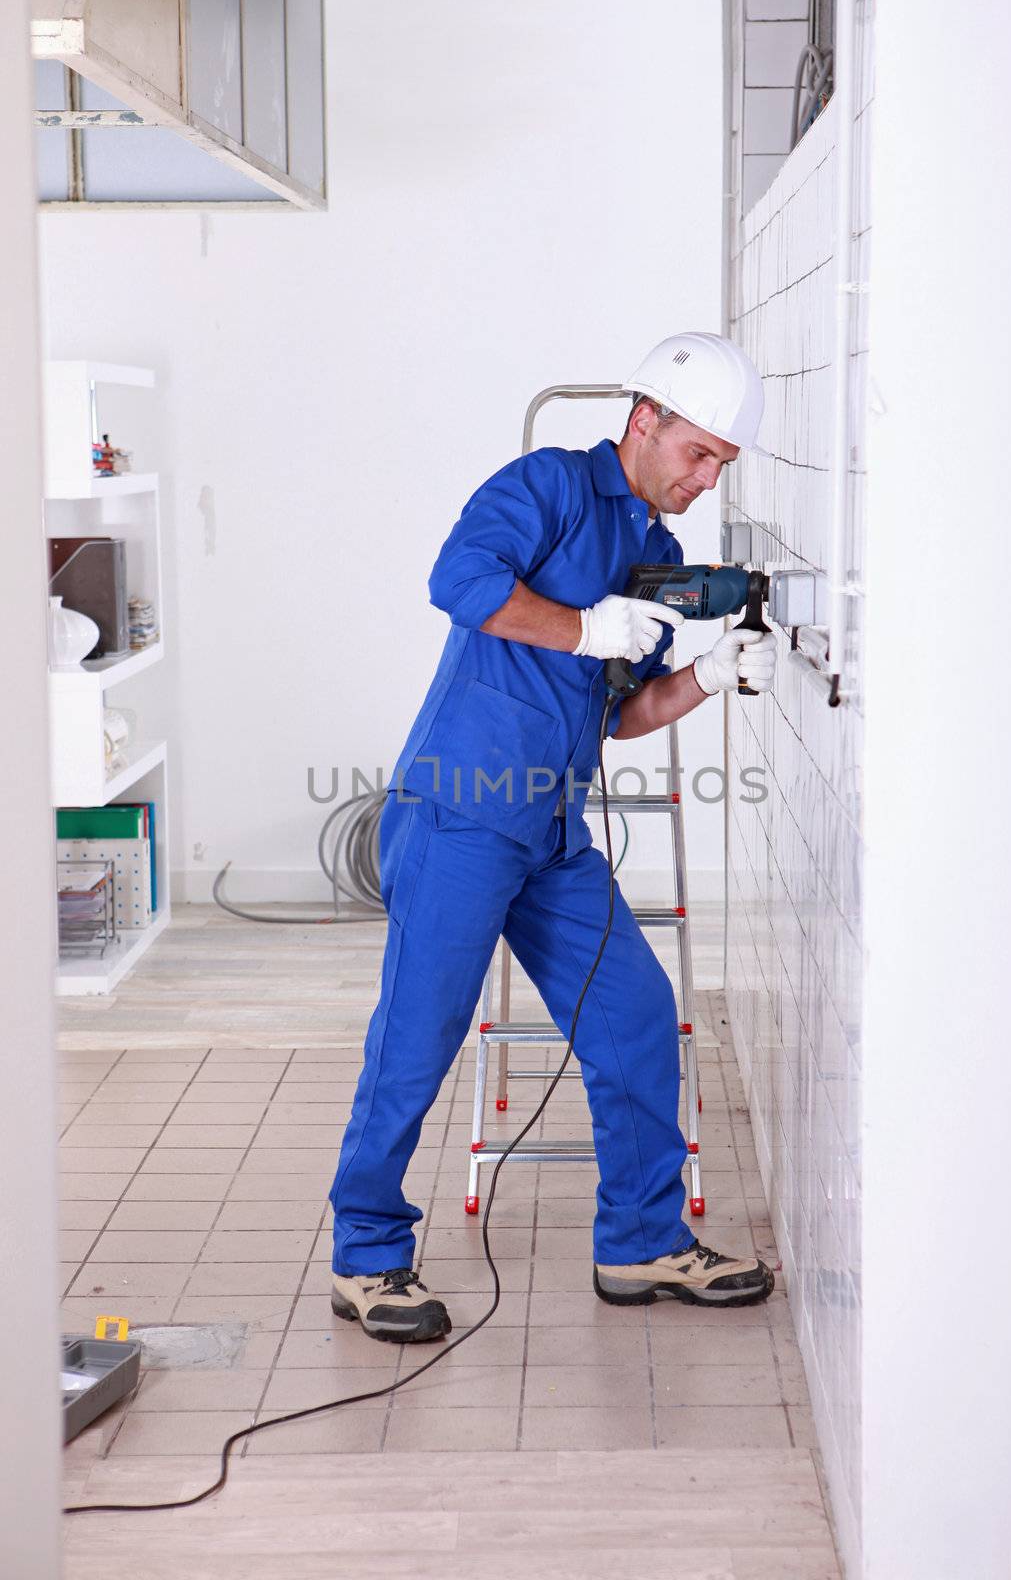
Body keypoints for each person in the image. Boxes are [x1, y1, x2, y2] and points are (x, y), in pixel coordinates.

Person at [329, 332, 779, 1342]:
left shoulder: (655, 558)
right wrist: (582, 627)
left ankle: (639, 1241)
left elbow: (619, 712)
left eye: (721, 465)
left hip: (550, 831)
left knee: (633, 1011)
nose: (705, 481)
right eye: (698, 454)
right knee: (418, 1038)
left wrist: (709, 677)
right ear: (643, 422)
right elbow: (457, 580)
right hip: (459, 812)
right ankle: (366, 1256)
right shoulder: (545, 488)